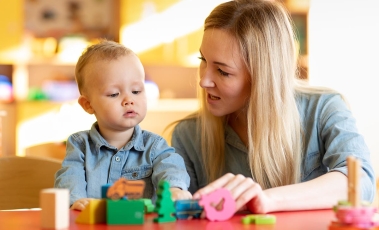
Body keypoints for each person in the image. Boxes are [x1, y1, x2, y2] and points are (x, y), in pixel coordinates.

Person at [170, 0, 376, 214]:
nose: (204, 81)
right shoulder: (188, 135)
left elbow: (360, 183)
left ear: (262, 77)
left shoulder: (324, 109)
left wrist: (267, 199)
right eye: (203, 59)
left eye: (223, 71)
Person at [55, 40, 191, 211]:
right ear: (88, 105)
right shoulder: (80, 145)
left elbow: (171, 166)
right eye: (114, 94)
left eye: (136, 91)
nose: (129, 100)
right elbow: (70, 175)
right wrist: (76, 200)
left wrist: (174, 189)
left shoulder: (154, 146)